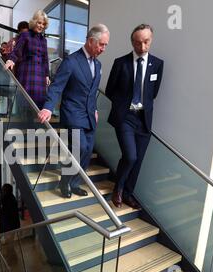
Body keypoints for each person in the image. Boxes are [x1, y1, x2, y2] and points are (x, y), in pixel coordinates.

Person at [38, 24, 110, 198]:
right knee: (81, 148)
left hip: (89, 116)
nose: (103, 49)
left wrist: (94, 109)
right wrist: (48, 107)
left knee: (87, 152)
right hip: (73, 114)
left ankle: (75, 183)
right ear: (91, 41)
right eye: (102, 44)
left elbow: (92, 92)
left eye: (105, 45)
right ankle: (65, 181)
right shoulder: (71, 62)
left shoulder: (98, 65)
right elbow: (57, 87)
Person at [105, 24, 164, 209]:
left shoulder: (158, 64)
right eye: (138, 43)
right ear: (132, 42)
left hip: (144, 119)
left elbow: (152, 93)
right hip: (125, 118)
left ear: (151, 40)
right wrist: (122, 108)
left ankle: (129, 194)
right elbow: (109, 90)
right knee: (130, 156)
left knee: (137, 161)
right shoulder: (120, 63)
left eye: (146, 42)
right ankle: (118, 188)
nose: (143, 47)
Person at [5, 10, 51, 109]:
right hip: (27, 75)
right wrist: (11, 60)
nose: (41, 26)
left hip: (40, 77)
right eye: (39, 22)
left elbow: (45, 59)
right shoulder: (25, 35)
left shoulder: (44, 40)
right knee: (25, 103)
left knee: (38, 106)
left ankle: (36, 123)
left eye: (43, 24)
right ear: (34, 22)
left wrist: (47, 75)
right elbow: (17, 50)